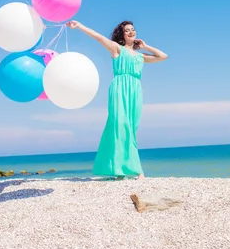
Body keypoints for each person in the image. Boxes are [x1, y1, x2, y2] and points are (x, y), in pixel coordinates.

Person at [66, 20, 168, 179]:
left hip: (135, 90)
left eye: (133, 30)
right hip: (120, 88)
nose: (131, 32)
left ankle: (120, 170)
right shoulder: (117, 49)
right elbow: (99, 38)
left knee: (131, 129)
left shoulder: (140, 56)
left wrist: (145, 46)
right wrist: (79, 26)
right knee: (120, 125)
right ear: (122, 34)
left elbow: (163, 56)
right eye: (127, 30)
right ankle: (134, 170)